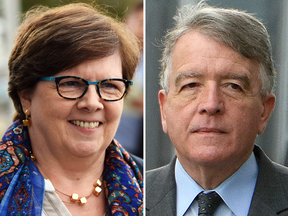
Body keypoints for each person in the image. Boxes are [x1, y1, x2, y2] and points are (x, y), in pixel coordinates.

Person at [146, 2, 288, 216]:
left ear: (264, 111)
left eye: (233, 86)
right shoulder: (129, 196)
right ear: (164, 108)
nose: (211, 105)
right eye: (191, 85)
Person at [0, 3, 143, 215]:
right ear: (26, 95)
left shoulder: (150, 185)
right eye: (70, 83)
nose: (92, 103)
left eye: (109, 86)